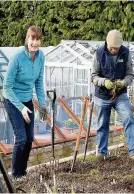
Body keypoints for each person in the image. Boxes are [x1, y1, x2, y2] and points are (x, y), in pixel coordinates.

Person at [3, 25, 47, 179]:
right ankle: (15, 175)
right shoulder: (17, 58)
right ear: (27, 39)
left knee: (29, 139)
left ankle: (23, 172)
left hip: (27, 99)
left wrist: (43, 105)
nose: (35, 42)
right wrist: (21, 108)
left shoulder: (41, 57)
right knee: (21, 138)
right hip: (12, 100)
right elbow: (6, 88)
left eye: (38, 39)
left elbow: (39, 83)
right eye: (32, 38)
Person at [91, 29, 134, 158]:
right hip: (102, 96)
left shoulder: (126, 53)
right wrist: (104, 82)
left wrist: (123, 83)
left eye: (116, 48)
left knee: (128, 119)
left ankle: (133, 151)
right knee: (102, 124)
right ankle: (102, 153)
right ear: (107, 44)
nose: (114, 50)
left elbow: (130, 75)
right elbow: (93, 76)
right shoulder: (98, 54)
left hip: (120, 95)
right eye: (112, 48)